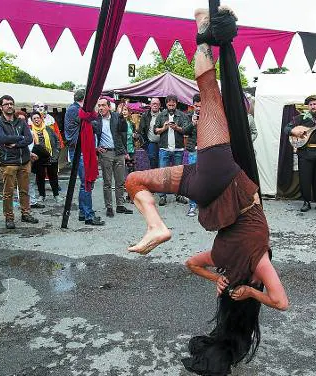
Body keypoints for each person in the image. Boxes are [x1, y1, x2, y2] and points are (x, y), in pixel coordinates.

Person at [125, 7, 288, 375]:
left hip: (220, 177)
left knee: (209, 93)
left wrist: (248, 291)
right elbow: (190, 263)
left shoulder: (258, 261)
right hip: (202, 185)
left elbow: (280, 301)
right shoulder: (222, 259)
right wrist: (221, 280)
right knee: (134, 181)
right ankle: (155, 226)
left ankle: (202, 30)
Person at [0, 95, 39, 229]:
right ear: (1, 107)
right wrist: (20, 138)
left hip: (24, 161)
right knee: (8, 192)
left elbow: (29, 139)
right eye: (6, 104)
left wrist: (16, 143)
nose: (9, 106)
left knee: (25, 190)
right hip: (9, 162)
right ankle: (9, 217)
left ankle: (26, 213)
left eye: (11, 103)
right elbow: (2, 138)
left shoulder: (21, 122)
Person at [64, 89, 105, 226]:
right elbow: (95, 124)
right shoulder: (76, 110)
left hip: (82, 150)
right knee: (87, 183)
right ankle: (88, 214)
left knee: (85, 183)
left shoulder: (76, 109)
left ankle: (83, 212)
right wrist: (95, 116)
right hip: (80, 151)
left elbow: (95, 125)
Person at [93, 98, 133, 218]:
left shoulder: (117, 117)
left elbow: (124, 134)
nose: (101, 108)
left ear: (109, 107)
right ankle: (109, 207)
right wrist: (96, 147)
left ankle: (120, 205)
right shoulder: (96, 120)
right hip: (106, 153)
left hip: (119, 152)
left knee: (120, 181)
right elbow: (91, 135)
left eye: (103, 105)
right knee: (107, 182)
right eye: (99, 105)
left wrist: (125, 151)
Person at [154, 94, 190, 206]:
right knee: (163, 174)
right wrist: (164, 128)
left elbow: (186, 130)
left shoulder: (182, 116)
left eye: (173, 104)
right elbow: (156, 131)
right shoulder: (161, 115)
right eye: (169, 104)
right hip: (164, 148)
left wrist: (176, 128)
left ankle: (178, 195)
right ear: (166, 104)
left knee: (178, 174)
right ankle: (162, 196)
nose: (171, 106)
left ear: (176, 104)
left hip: (178, 149)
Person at [30, 111, 61, 203]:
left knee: (53, 177)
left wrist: (56, 153)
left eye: (38, 118)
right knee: (40, 177)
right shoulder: (30, 131)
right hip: (38, 158)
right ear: (32, 121)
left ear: (41, 118)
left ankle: (56, 195)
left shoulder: (48, 129)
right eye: (34, 118)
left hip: (51, 156)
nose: (36, 120)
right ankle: (42, 195)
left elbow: (57, 141)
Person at [185, 94, 200, 217]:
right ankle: (192, 206)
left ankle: (205, 205)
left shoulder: (208, 115)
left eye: (200, 106)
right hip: (193, 151)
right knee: (193, 178)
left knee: (207, 177)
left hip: (206, 150)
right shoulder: (189, 115)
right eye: (196, 105)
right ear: (193, 105)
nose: (198, 108)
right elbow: (184, 131)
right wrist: (192, 123)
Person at [139, 98, 162, 169]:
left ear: (159, 105)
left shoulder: (164, 115)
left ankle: (162, 179)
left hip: (163, 144)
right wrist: (146, 144)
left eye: (156, 104)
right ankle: (154, 179)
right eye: (153, 104)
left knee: (162, 164)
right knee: (153, 163)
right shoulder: (145, 116)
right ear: (150, 105)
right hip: (151, 143)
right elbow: (141, 130)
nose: (155, 105)